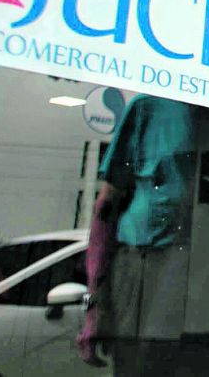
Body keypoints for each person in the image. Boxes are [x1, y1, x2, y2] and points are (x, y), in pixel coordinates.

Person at [76, 94, 196, 376]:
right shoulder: (149, 107)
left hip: (205, 268)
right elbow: (107, 206)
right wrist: (95, 305)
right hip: (146, 263)